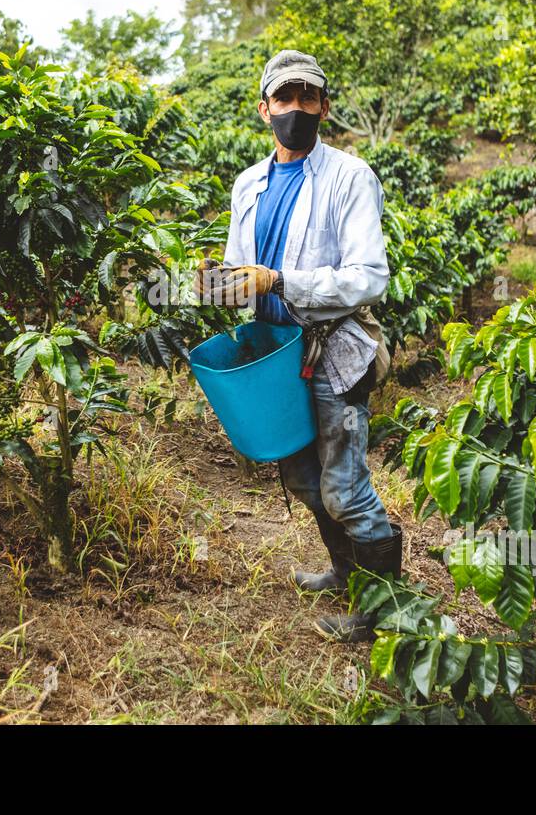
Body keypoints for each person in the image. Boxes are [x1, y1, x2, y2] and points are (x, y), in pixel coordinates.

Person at [195, 49, 402, 643]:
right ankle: (345, 571)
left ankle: (380, 611)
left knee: (343, 486)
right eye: (284, 98)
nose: (296, 108)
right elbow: (241, 273)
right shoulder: (248, 184)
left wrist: (281, 281)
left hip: (335, 351)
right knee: (306, 479)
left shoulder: (349, 177)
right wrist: (219, 280)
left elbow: (369, 276)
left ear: (324, 108)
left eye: (308, 97)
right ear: (265, 110)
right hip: (281, 356)